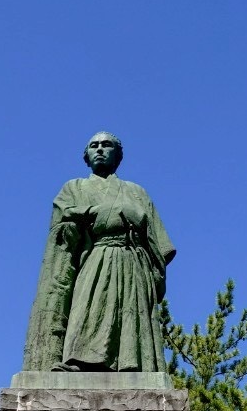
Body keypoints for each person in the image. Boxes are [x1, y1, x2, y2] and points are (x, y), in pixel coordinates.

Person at [23, 132, 175, 373]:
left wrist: (151, 273)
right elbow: (64, 220)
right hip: (95, 256)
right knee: (88, 307)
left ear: (118, 155)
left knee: (129, 315)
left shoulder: (137, 192)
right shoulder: (74, 187)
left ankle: (131, 364)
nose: (100, 149)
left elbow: (158, 243)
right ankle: (80, 361)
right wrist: (96, 212)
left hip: (133, 261)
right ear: (87, 156)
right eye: (94, 146)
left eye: (107, 145)